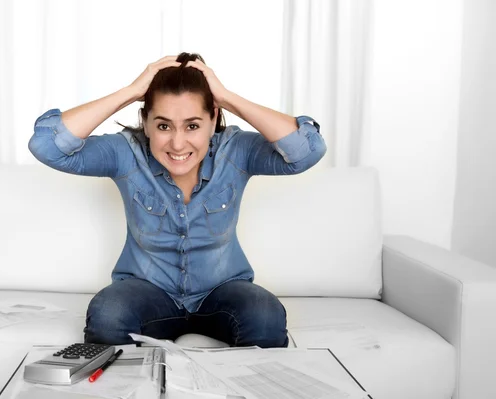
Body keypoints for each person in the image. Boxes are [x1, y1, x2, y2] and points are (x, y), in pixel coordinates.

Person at [28, 52, 326, 348]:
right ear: (145, 123)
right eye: (163, 126)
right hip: (146, 293)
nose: (178, 143)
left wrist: (228, 97)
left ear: (213, 120)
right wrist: (131, 92)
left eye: (193, 125)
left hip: (223, 294)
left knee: (264, 312)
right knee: (108, 312)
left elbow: (307, 151)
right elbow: (46, 145)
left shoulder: (237, 151)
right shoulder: (125, 153)